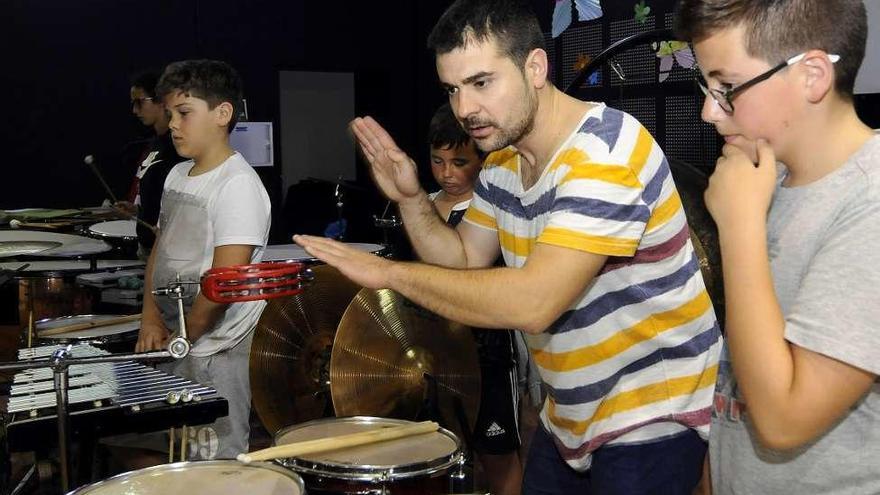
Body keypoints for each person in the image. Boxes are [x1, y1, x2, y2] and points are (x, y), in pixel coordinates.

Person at [295, 1, 721, 493]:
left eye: (481, 83)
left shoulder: (606, 153)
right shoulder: (502, 163)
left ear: (535, 67)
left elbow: (534, 302)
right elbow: (462, 257)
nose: (464, 109)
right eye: (453, 89)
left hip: (651, 414)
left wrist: (387, 274)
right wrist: (412, 198)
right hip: (571, 417)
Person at [675, 0, 880, 493]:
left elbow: (783, 420)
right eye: (707, 87)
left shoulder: (869, 200)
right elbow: (743, 369)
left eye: (727, 88)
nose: (709, 110)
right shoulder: (769, 179)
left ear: (811, 75)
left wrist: (740, 225)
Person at [136, 59, 271, 460]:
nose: (173, 123)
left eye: (184, 113)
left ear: (222, 114)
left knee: (214, 462)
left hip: (218, 347)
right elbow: (160, 250)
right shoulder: (178, 175)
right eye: (171, 113)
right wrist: (150, 318)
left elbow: (224, 280)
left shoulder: (238, 185)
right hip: (180, 339)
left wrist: (186, 334)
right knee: (167, 451)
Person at [426, 102, 523, 495]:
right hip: (432, 354)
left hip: (488, 356)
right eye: (437, 161)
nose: (447, 173)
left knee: (496, 455)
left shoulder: (492, 209)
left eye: (459, 162)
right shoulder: (425, 210)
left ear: (482, 161)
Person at [126, 70, 184, 255]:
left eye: (139, 102)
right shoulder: (154, 144)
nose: (135, 110)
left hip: (168, 251)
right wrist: (136, 209)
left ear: (161, 100)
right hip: (149, 247)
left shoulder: (179, 148)